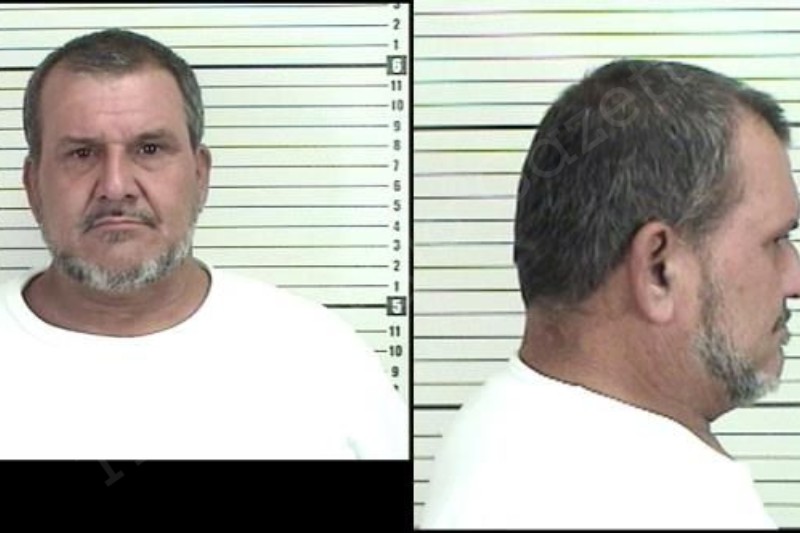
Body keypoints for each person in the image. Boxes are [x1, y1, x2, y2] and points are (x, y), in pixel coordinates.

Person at [421, 59, 798, 528]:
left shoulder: (498, 429)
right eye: (776, 241)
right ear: (659, 270)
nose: (795, 280)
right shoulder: (669, 503)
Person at [0, 28, 407, 459]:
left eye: (149, 149)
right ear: (33, 185)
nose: (116, 186)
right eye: (82, 154)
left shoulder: (323, 359)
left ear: (199, 175)